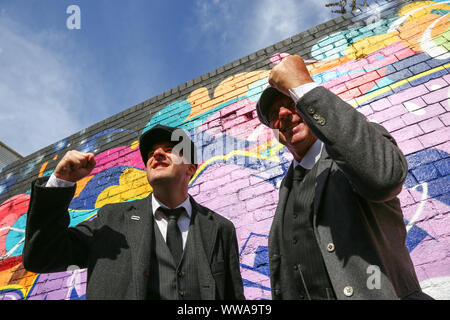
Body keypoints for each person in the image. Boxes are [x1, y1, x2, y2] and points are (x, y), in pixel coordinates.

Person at [256, 55, 432, 300]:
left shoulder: (354, 154)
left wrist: (304, 87)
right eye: (274, 113)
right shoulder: (287, 191)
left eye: (292, 102)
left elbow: (385, 178)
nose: (283, 114)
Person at [23, 124, 245, 300]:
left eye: (170, 150)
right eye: (151, 152)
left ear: (190, 168)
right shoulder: (111, 220)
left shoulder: (220, 228)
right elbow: (41, 256)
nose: (157, 153)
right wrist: (60, 182)